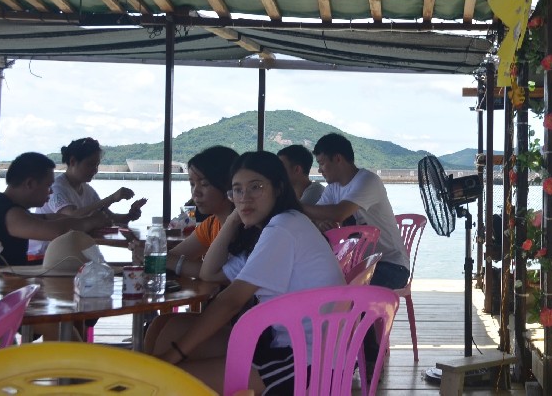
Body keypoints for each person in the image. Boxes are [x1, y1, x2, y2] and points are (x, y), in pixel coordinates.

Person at [144, 151, 344, 394]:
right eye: (237, 190)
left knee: (165, 381)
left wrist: (172, 356)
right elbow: (210, 274)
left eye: (255, 187)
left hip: (307, 361)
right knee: (171, 329)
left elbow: (230, 301)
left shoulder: (283, 227)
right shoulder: (275, 227)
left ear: (278, 189)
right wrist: (233, 220)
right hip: (280, 343)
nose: (245, 198)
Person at [302, 133, 409, 371]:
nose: (320, 170)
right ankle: (338, 356)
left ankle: (362, 358)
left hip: (392, 266)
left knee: (349, 294)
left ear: (338, 159)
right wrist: (320, 221)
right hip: (360, 266)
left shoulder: (367, 181)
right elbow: (318, 215)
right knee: (328, 287)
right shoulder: (333, 189)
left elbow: (339, 212)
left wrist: (295, 205)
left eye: (322, 163)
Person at [28, 137, 146, 259]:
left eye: (97, 165)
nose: (95, 170)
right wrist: (111, 198)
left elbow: (109, 217)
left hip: (68, 252)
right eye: (90, 164)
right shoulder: (57, 187)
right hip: (42, 255)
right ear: (73, 162)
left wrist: (129, 215)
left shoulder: (87, 190)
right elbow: (71, 216)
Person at [0, 152, 110, 268]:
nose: (51, 191)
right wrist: (92, 221)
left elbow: (47, 218)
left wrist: (84, 221)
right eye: (48, 186)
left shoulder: (5, 206)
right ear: (30, 184)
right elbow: (58, 231)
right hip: (1, 280)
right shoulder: (8, 213)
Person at [166, 146, 239, 279]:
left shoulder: (248, 228)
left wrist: (159, 258)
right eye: (192, 184)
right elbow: (174, 256)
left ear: (228, 185)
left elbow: (225, 275)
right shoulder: (211, 225)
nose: (195, 192)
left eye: (204, 184)